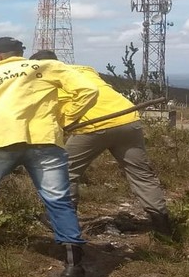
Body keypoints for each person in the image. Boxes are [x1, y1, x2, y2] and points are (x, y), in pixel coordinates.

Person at [0, 37, 99, 277]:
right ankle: (73, 265)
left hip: (1, 142)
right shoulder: (46, 67)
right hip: (43, 141)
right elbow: (89, 90)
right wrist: (66, 119)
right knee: (58, 198)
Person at [29, 50, 175, 236]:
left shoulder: (43, 80)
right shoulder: (84, 70)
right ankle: (164, 227)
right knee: (141, 175)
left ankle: (64, 220)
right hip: (128, 119)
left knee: (65, 171)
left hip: (93, 126)